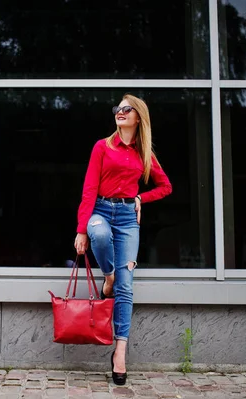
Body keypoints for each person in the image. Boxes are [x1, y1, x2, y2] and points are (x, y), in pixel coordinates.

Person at [74, 94, 172, 385]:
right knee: (100, 236)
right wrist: (81, 230)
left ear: (138, 117)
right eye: (118, 108)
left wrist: (142, 197)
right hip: (100, 210)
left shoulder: (144, 154)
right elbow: (89, 189)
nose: (120, 112)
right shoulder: (101, 147)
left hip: (129, 219)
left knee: (126, 288)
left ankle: (120, 352)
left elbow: (166, 186)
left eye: (127, 109)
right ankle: (109, 276)